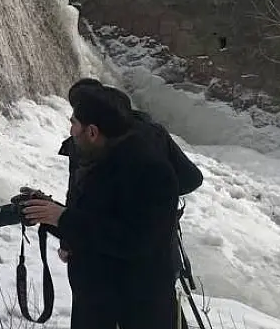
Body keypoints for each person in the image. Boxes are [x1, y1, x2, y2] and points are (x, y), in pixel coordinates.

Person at [24, 85, 203, 329]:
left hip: (136, 324)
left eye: (74, 124)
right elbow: (96, 222)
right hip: (101, 320)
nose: (71, 131)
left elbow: (135, 241)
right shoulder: (101, 161)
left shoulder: (149, 169)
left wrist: (63, 218)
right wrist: (51, 216)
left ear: (92, 131)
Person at [56, 78, 203, 270]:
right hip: (160, 252)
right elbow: (191, 178)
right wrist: (160, 206)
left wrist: (68, 240)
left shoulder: (87, 143)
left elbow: (76, 194)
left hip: (106, 257)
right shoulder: (152, 131)